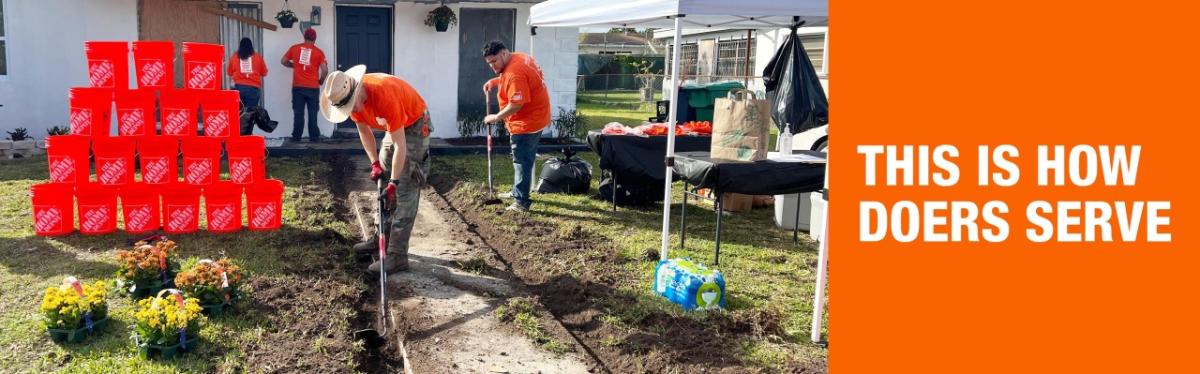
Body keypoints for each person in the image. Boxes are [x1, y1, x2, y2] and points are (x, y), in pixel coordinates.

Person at [320, 65, 432, 275]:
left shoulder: (383, 95)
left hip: (414, 123)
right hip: (395, 126)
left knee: (405, 185)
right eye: (348, 108)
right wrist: (374, 163)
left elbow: (401, 145)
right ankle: (382, 238)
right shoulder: (346, 97)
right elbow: (364, 132)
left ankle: (397, 256)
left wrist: (394, 183)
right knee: (385, 166)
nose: (352, 111)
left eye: (353, 105)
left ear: (358, 89)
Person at [481, 41, 550, 212]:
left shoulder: (514, 72)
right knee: (522, 159)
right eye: (489, 63)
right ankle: (517, 191)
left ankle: (521, 202)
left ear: (504, 53)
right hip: (536, 115)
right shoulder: (519, 57)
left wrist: (496, 117)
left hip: (527, 122)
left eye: (494, 61)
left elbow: (516, 104)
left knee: (522, 161)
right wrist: (497, 81)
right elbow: (520, 79)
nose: (492, 66)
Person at [282, 28, 329, 142]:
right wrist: (321, 81)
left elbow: (283, 61)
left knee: (298, 113)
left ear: (304, 37)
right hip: (313, 87)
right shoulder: (319, 52)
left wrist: (293, 65)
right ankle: (314, 137)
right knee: (313, 113)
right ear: (315, 38)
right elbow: (325, 70)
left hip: (298, 86)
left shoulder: (295, 48)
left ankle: (296, 137)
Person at [227, 38, 268, 135]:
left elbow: (229, 72)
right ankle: (247, 138)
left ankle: (237, 136)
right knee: (250, 116)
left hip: (238, 90)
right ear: (251, 46)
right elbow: (264, 72)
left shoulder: (235, 57)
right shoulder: (257, 57)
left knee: (238, 115)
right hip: (253, 90)